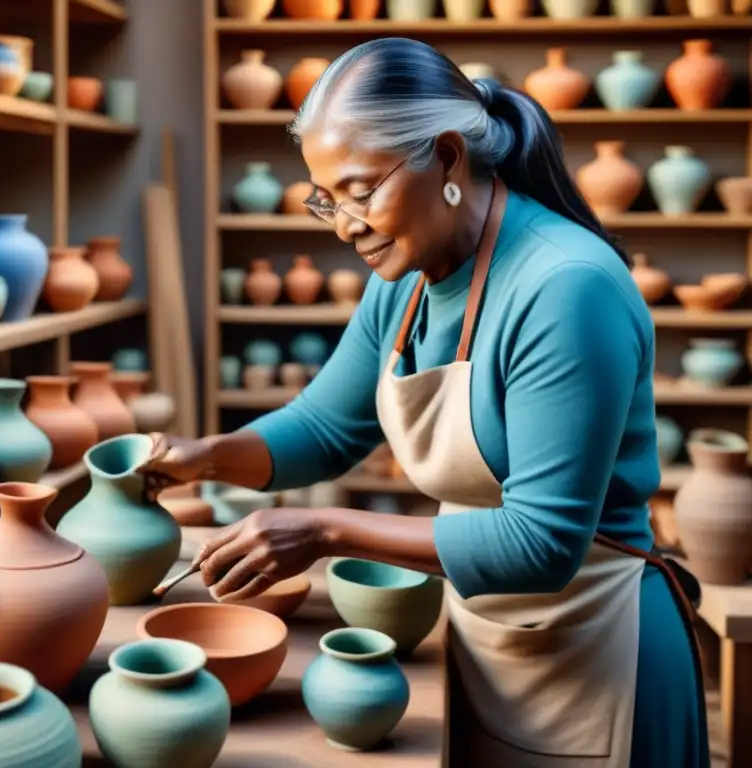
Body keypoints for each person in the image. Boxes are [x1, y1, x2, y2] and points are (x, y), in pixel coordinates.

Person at [141, 37, 708, 768]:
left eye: (361, 189)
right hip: (485, 641)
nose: (345, 224)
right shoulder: (404, 279)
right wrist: (206, 458)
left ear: (445, 157)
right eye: (326, 199)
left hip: (599, 651)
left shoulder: (566, 287)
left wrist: (323, 530)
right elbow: (323, 427)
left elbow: (542, 543)